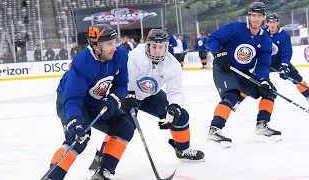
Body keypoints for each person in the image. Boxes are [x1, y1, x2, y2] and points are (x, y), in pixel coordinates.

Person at [87, 29, 205, 176]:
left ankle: (183, 149)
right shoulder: (136, 56)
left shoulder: (171, 63)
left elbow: (176, 90)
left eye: (161, 47)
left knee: (181, 116)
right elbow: (124, 77)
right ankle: (102, 158)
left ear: (166, 47)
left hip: (151, 96)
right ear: (148, 45)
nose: (157, 50)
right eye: (154, 46)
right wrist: (128, 94)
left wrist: (173, 107)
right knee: (122, 126)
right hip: (128, 94)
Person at [44, 24, 134, 180]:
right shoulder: (82, 63)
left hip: (96, 100)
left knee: (125, 127)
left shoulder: (120, 55)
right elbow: (72, 99)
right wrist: (75, 121)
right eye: (109, 44)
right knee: (79, 138)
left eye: (114, 42)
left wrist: (114, 99)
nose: (114, 47)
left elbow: (121, 85)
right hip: (70, 100)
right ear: (96, 46)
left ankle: (104, 171)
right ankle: (53, 177)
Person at [206, 2, 281, 148]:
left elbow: (263, 64)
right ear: (249, 16)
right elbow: (212, 39)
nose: (256, 19)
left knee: (270, 91)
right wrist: (219, 53)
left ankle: (262, 125)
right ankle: (215, 130)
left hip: (243, 73)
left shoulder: (265, 40)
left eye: (259, 16)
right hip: (225, 69)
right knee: (231, 96)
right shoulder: (235, 28)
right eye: (253, 15)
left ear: (263, 18)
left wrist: (264, 80)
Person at [234, 12, 309, 109]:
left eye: (274, 22)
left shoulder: (284, 36)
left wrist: (285, 65)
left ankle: (308, 96)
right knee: (252, 81)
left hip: (279, 62)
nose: (272, 24)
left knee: (297, 78)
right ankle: (237, 101)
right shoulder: (262, 32)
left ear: (277, 22)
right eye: (270, 22)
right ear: (267, 23)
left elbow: (287, 52)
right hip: (265, 63)